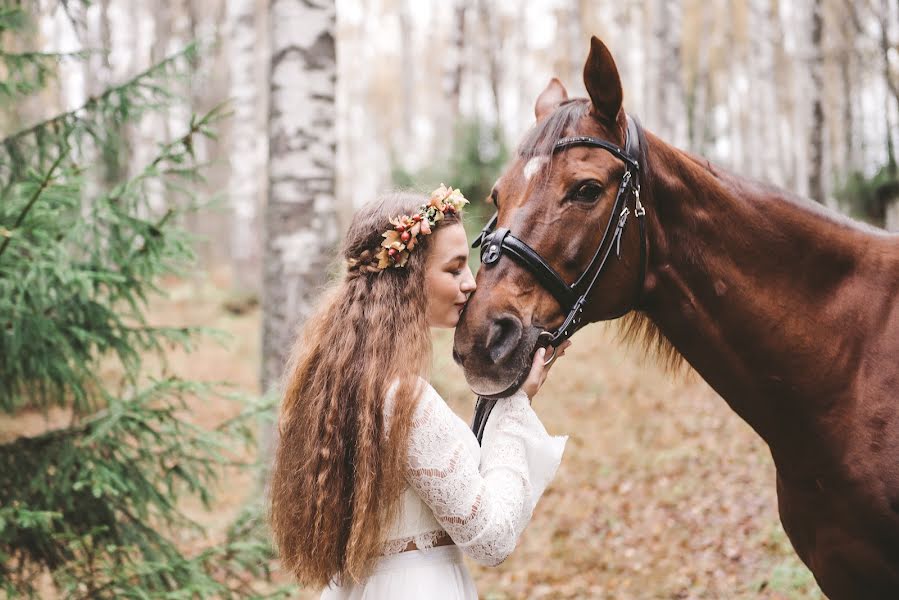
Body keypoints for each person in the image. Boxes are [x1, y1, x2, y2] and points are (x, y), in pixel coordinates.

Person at [269, 186, 569, 599]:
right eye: (454, 269)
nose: (470, 284)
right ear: (405, 278)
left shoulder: (345, 386)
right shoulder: (405, 400)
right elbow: (491, 537)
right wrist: (516, 407)